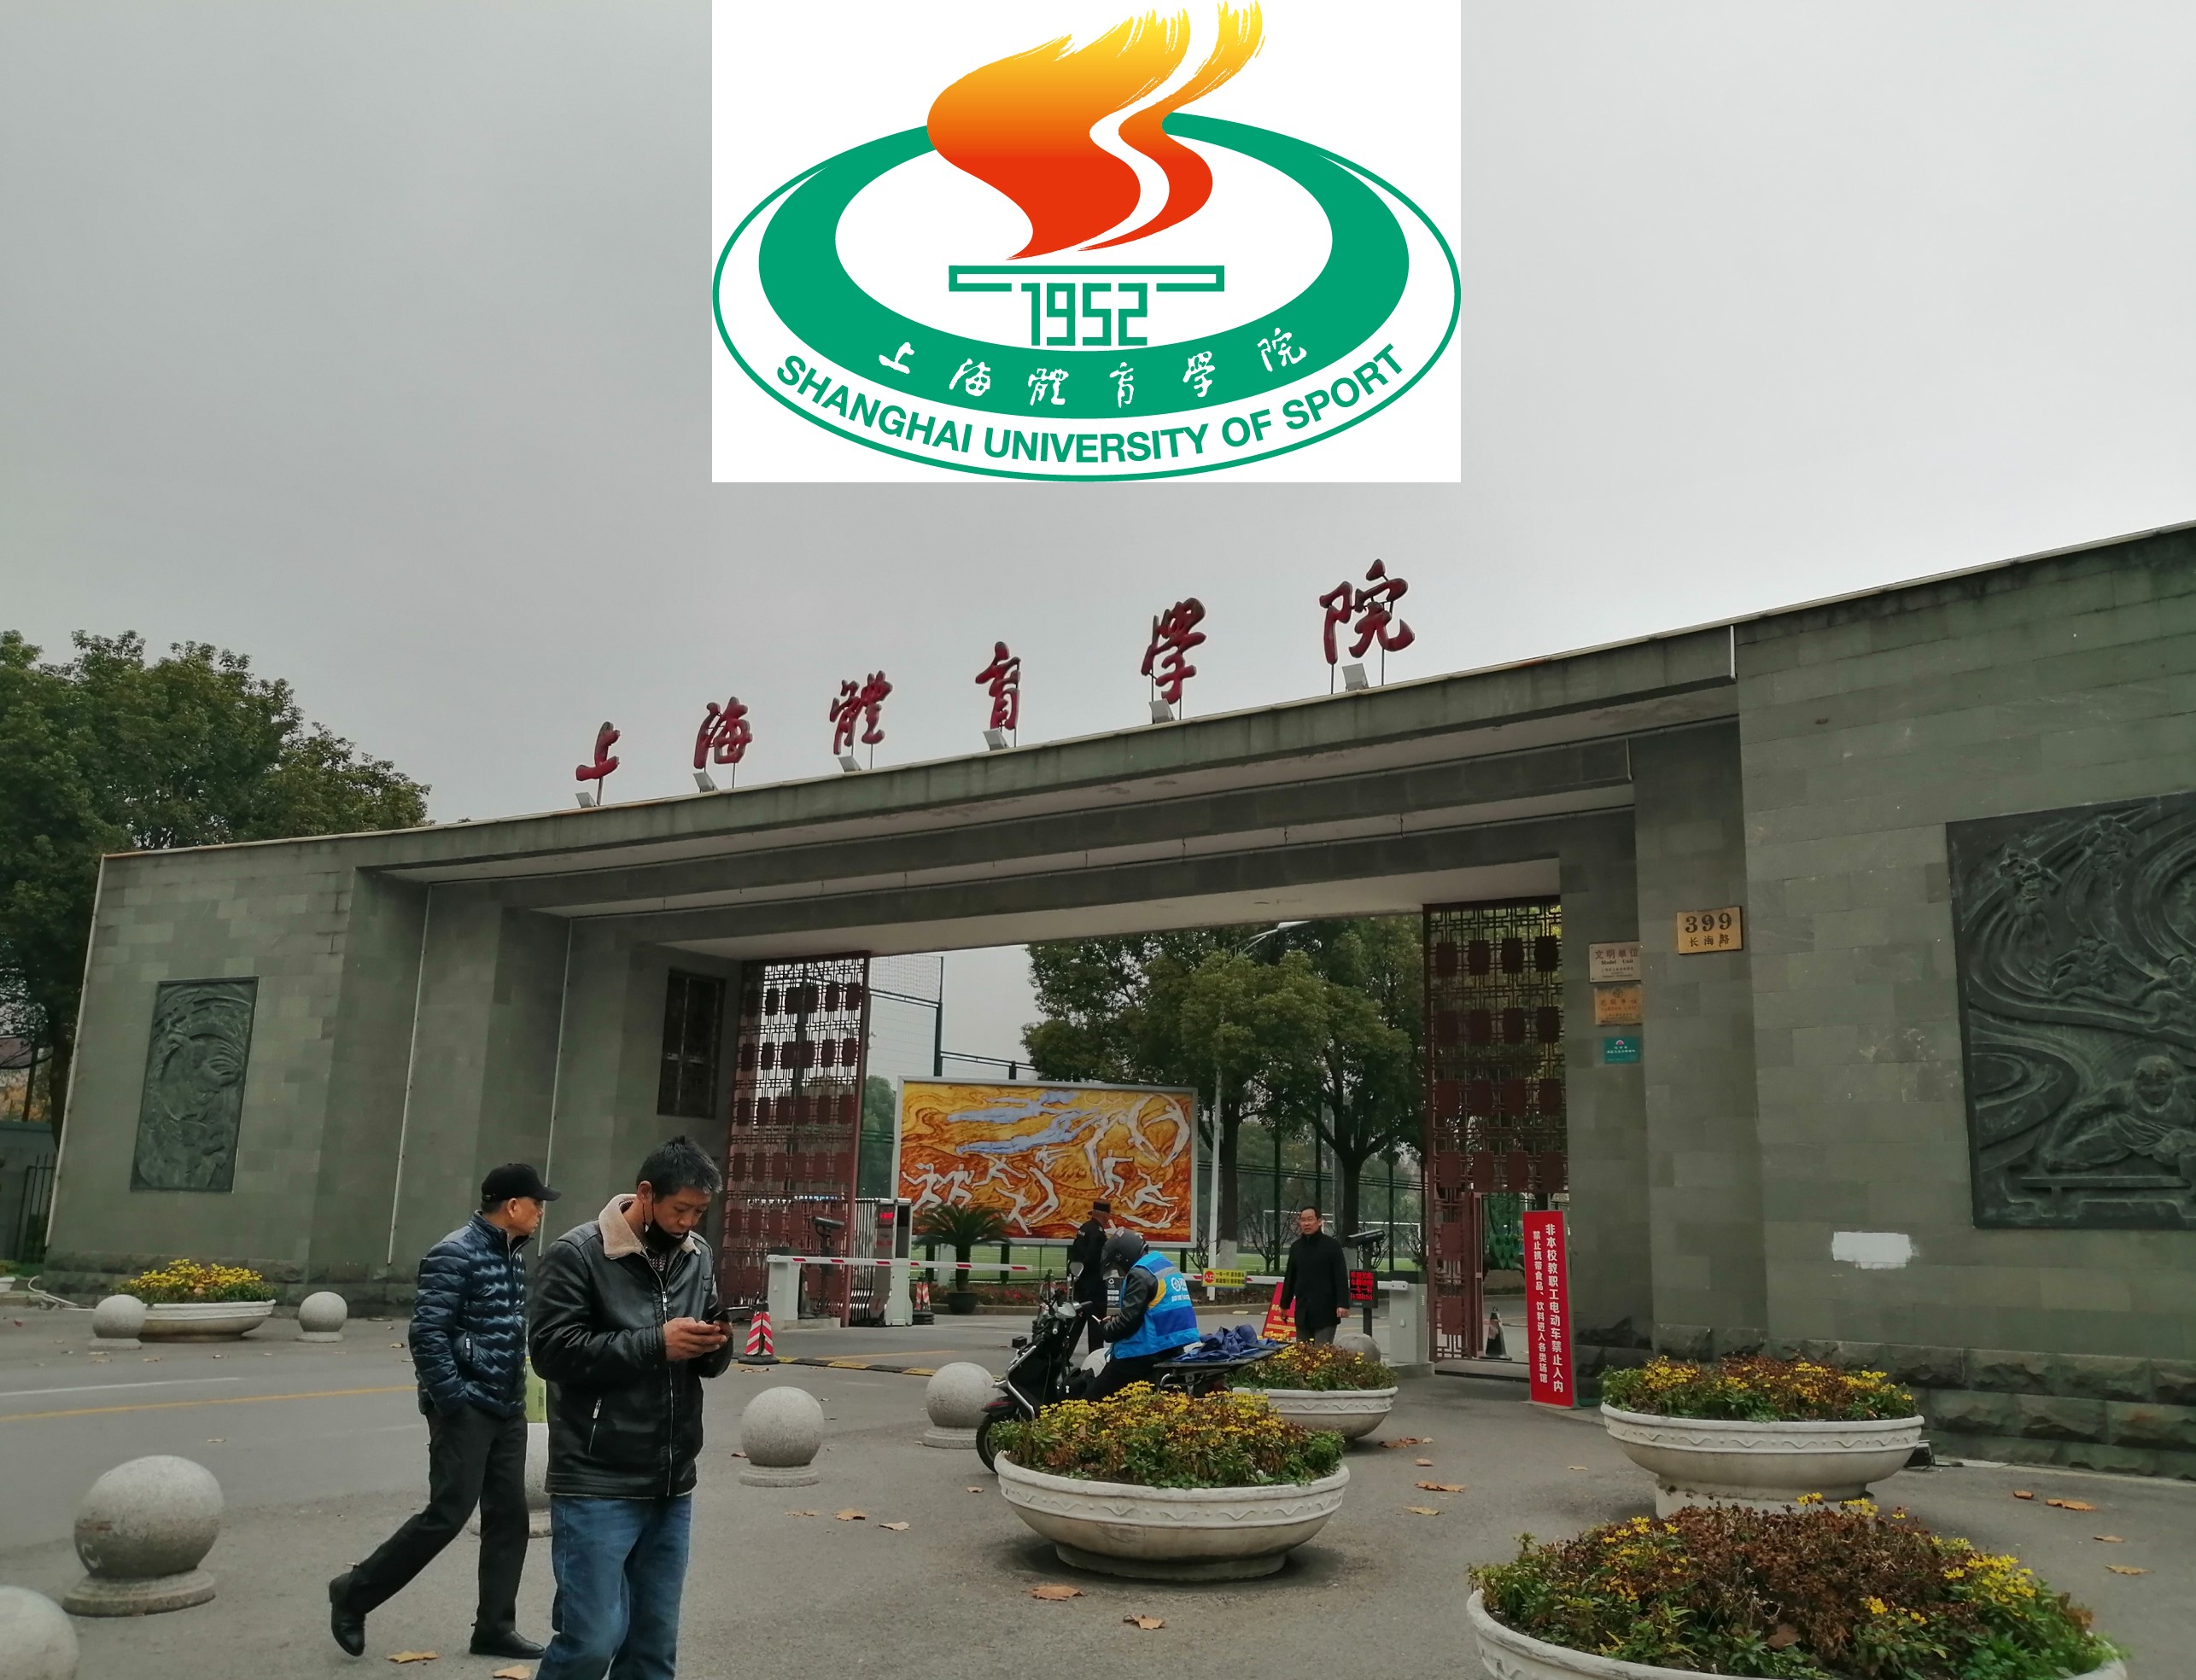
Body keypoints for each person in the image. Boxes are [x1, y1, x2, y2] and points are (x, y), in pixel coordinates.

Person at [329, 1163, 558, 1660]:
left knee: (509, 1518)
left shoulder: (513, 1256)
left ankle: (494, 1628)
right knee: (447, 1514)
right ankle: (354, 1592)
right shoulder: (454, 1253)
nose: (541, 1212)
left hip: (506, 1405)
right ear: (512, 1206)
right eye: (536, 1203)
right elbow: (427, 1334)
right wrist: (453, 1400)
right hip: (467, 1407)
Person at [529, 1136, 733, 1680]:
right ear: (645, 1194)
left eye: (699, 1212)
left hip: (671, 1479)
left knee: (652, 1650)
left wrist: (715, 1343)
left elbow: (702, 1363)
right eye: (679, 1209)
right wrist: (654, 1344)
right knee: (591, 1643)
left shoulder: (698, 1257)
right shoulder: (578, 1254)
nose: (689, 1222)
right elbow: (551, 1351)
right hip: (596, 1476)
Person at [1089, 1229, 1200, 1399]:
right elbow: (1151, 1310)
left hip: (1142, 1355)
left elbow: (1127, 1324)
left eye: (1118, 1267)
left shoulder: (1139, 1274)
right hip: (1171, 1348)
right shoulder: (1162, 1265)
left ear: (1123, 1257)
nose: (1120, 1273)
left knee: (1092, 1400)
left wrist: (1105, 1328)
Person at [1279, 1205, 1350, 1343]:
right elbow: (1290, 1278)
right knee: (1303, 1355)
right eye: (1303, 1220)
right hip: (1303, 1310)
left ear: (1319, 1221)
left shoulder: (1332, 1246)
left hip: (1326, 1311)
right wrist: (1284, 1304)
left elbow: (1340, 1277)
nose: (1306, 1223)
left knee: (1321, 1354)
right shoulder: (1296, 1248)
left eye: (1310, 1219)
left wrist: (1343, 1304)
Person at [1066, 1198, 1113, 1353]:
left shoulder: (1084, 1228)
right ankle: (1095, 1357)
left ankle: (1064, 1355)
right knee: (1096, 1324)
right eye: (1108, 1215)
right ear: (1104, 1214)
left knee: (1076, 1323)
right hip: (1094, 1287)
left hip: (1080, 1284)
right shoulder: (1098, 1233)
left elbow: (1075, 1254)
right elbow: (1093, 1258)